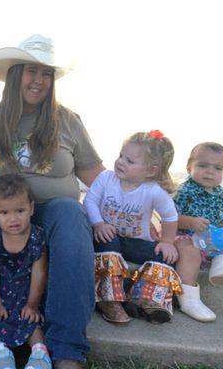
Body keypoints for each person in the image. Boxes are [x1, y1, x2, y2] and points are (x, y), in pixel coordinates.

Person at [0, 34, 105, 369]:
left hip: (50, 211)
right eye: (32, 71)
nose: (39, 80)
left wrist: (136, 201)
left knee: (73, 216)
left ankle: (67, 349)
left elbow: (95, 175)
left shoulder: (67, 120)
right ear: (14, 74)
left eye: (47, 74)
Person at [84, 130, 183, 325]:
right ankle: (108, 299)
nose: (120, 162)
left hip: (135, 241)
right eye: (121, 156)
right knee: (108, 238)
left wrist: (167, 241)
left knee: (165, 255)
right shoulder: (106, 178)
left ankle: (147, 298)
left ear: (151, 170)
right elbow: (90, 201)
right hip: (105, 237)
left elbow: (170, 216)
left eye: (130, 161)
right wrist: (98, 223)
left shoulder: (154, 191)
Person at [174, 142, 223, 322]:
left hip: (209, 241)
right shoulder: (185, 190)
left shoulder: (222, 195)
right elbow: (171, 218)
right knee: (190, 253)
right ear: (189, 167)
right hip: (186, 237)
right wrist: (191, 222)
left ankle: (222, 267)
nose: (210, 171)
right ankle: (189, 299)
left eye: (217, 168)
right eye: (203, 166)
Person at [0, 174, 50, 369]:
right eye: (4, 213)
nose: (13, 219)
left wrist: (32, 303)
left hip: (28, 290)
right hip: (0, 290)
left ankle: (39, 354)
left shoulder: (37, 236)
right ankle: (1, 353)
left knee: (31, 319)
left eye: (20, 210)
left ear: (31, 208)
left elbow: (40, 272)